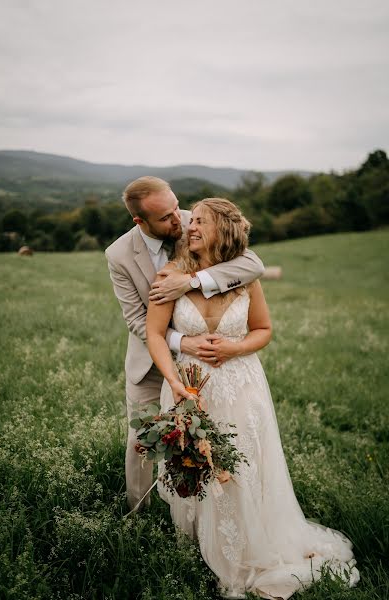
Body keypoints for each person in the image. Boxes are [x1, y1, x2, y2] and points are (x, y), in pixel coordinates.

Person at [146, 198, 359, 600]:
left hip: (242, 384)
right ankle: (199, 544)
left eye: (201, 222)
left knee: (243, 462)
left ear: (223, 231)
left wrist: (235, 348)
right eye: (192, 221)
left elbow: (263, 329)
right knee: (195, 461)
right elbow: (155, 335)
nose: (191, 226)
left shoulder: (245, 276)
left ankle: (248, 545)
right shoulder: (172, 275)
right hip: (189, 385)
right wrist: (174, 381)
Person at [105, 177, 265, 510]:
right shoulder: (119, 255)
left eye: (177, 206)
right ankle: (139, 513)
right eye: (166, 217)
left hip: (206, 364)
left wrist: (190, 282)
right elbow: (137, 320)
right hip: (153, 360)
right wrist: (184, 342)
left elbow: (252, 264)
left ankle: (211, 507)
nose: (179, 219)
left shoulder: (197, 222)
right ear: (140, 221)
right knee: (143, 438)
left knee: (211, 433)